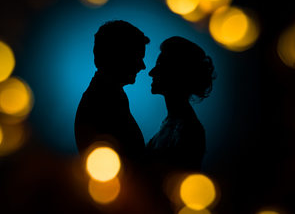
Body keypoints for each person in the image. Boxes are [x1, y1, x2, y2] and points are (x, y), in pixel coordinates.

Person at [74, 20, 149, 162]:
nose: (143, 66)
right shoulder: (103, 101)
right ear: (120, 56)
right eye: (138, 57)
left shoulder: (108, 96)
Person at [146, 36, 215, 172]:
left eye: (160, 66)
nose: (151, 72)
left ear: (177, 72)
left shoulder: (188, 130)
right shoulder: (172, 123)